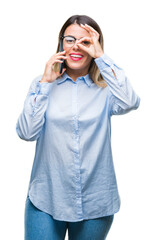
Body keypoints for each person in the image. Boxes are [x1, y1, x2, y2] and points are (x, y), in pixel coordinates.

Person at [16, 15, 140, 240]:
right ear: (61, 42)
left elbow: (130, 101)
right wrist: (45, 84)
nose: (76, 47)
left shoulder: (106, 89)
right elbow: (26, 132)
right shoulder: (42, 84)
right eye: (70, 39)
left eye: (85, 42)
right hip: (46, 199)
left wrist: (101, 56)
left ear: (95, 46)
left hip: (96, 202)